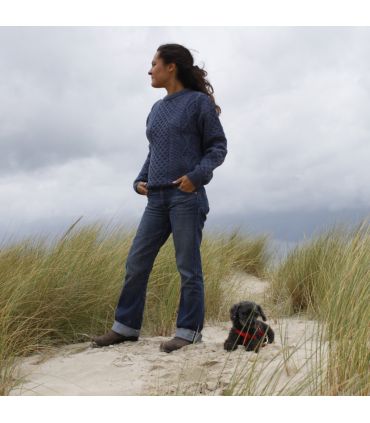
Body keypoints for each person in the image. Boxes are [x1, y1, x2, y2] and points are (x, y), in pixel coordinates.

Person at [92, 43, 227, 353]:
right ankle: (125, 328)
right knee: (136, 263)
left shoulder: (198, 103)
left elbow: (217, 147)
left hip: (185, 198)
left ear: (171, 67)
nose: (149, 69)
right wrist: (141, 179)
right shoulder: (156, 109)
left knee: (188, 268)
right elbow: (154, 151)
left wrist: (196, 178)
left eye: (154, 63)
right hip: (156, 201)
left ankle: (188, 332)